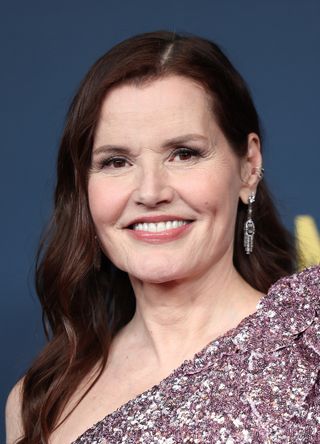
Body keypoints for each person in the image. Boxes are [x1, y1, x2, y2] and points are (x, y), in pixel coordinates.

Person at [5, 30, 320, 444]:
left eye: (184, 154)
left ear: (248, 166)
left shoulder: (309, 338)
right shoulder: (40, 401)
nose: (151, 192)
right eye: (116, 161)